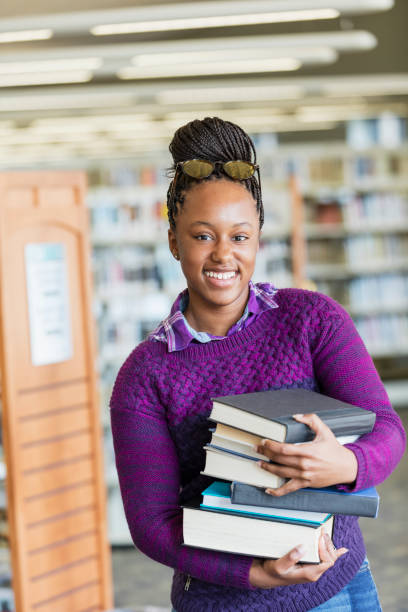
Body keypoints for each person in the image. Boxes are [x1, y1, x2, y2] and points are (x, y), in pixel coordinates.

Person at [110, 117, 406, 612]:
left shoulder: (313, 319)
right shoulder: (143, 377)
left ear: (259, 238)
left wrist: (349, 463)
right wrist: (251, 574)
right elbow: (152, 523)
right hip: (226, 601)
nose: (223, 254)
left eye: (240, 236)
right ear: (173, 241)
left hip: (339, 583)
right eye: (203, 236)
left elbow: (389, 428)